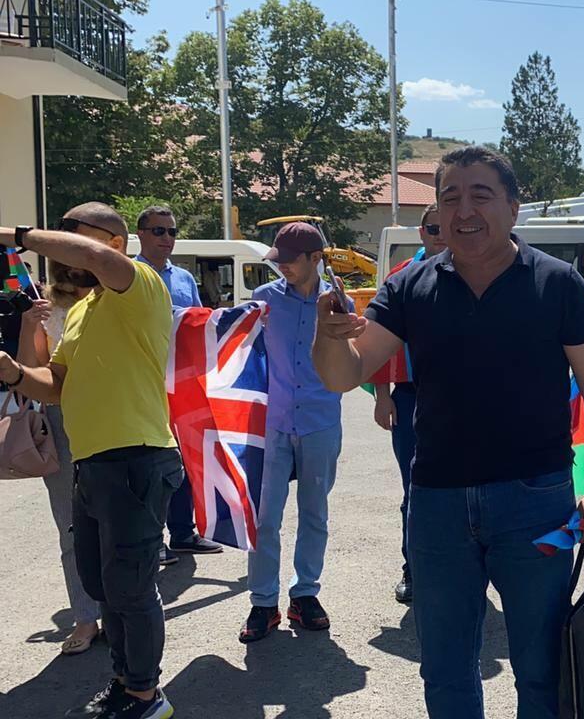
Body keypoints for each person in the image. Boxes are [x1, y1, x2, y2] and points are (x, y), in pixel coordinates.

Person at [311, 145, 584, 719]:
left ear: (514, 207)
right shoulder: (408, 286)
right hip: (437, 507)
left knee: (543, 669)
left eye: (481, 195)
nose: (464, 210)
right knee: (446, 671)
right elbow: (343, 374)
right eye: (450, 197)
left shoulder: (558, 284)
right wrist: (327, 335)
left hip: (537, 503)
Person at [1, 204, 184, 719]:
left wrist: (16, 236)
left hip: (137, 457)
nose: (61, 252)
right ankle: (125, 684)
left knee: (131, 587)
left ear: (114, 242)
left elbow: (92, 257)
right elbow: (56, 386)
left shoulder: (139, 285)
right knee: (104, 586)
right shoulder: (83, 310)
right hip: (92, 463)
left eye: (70, 238)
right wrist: (12, 372)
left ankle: (147, 696)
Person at [239, 222, 352, 644]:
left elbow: (350, 354)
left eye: (289, 260)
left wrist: (343, 314)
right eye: (278, 259)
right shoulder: (263, 299)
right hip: (273, 423)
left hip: (320, 420)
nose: (281, 267)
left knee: (314, 512)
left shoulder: (337, 301)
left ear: (314, 259)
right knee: (264, 517)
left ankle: (304, 594)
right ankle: (263, 602)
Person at [134, 206, 223, 564]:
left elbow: (198, 325)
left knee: (184, 456)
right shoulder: (128, 276)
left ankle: (183, 533)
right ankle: (151, 539)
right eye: (159, 231)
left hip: (182, 384)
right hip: (142, 382)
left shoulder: (184, 279)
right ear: (140, 234)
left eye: (171, 232)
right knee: (150, 464)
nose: (167, 238)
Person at [18, 264, 98, 656]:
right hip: (60, 418)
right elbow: (30, 371)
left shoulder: (113, 297)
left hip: (111, 413)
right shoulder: (45, 306)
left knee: (118, 525)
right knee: (71, 525)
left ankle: (120, 612)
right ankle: (85, 617)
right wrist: (28, 325)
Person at [372, 203, 446, 605]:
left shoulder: (470, 274)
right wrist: (382, 396)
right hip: (409, 394)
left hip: (458, 396)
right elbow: (378, 343)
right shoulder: (400, 277)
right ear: (421, 232)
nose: (440, 235)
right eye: (432, 228)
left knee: (462, 484)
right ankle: (413, 569)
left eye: (445, 227)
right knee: (414, 488)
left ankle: (458, 568)